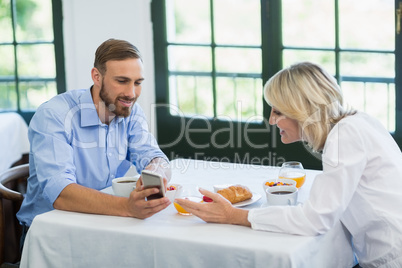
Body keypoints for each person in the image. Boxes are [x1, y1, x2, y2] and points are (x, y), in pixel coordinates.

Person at [175, 62, 402, 267]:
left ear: (302, 109)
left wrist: (235, 215)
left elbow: (316, 219)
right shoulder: (357, 122)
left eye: (277, 111)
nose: (272, 120)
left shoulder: (345, 136)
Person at [17, 39, 172, 230]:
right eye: (122, 81)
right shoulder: (54, 115)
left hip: (103, 221)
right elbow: (61, 194)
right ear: (96, 76)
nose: (131, 93)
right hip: (51, 230)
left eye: (137, 82)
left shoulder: (130, 110)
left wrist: (156, 172)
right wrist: (128, 207)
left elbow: (154, 156)